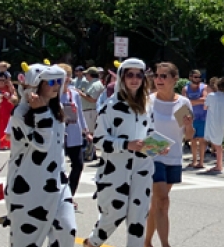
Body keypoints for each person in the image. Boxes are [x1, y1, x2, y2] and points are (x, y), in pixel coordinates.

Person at [84, 58, 159, 247]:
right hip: (116, 169)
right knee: (114, 212)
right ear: (122, 77)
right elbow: (99, 140)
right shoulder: (110, 106)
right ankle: (93, 241)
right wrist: (126, 144)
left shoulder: (147, 105)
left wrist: (158, 146)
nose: (134, 79)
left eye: (138, 75)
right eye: (130, 75)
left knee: (138, 217)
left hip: (142, 168)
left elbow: (150, 132)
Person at [5, 63, 76, 247]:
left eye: (58, 82)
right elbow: (42, 144)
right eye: (50, 81)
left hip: (57, 185)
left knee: (67, 233)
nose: (56, 86)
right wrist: (40, 111)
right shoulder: (19, 113)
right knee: (26, 243)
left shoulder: (56, 108)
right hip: (27, 190)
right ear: (36, 84)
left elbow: (58, 151)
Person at [144, 62, 193, 247]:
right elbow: (142, 130)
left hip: (174, 156)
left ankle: (146, 241)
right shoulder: (148, 101)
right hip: (153, 156)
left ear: (175, 79)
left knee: (158, 203)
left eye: (164, 76)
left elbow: (188, 136)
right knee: (163, 200)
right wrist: (153, 147)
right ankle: (165, 244)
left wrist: (188, 125)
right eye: (156, 76)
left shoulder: (182, 103)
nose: (158, 79)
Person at [59, 64, 92, 210]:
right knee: (58, 167)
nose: (66, 79)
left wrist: (86, 130)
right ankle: (60, 196)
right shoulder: (53, 93)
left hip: (74, 133)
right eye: (63, 76)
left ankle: (69, 195)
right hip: (59, 135)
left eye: (68, 75)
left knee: (78, 164)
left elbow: (80, 114)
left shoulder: (75, 94)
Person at [203, 77, 224, 173]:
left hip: (212, 121)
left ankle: (219, 165)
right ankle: (219, 164)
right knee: (218, 143)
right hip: (221, 122)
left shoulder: (211, 96)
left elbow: (205, 107)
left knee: (216, 144)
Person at [185, 69, 209, 169]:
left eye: (199, 77)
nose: (198, 79)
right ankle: (194, 160)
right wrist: (197, 101)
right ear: (190, 77)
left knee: (202, 140)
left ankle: (201, 162)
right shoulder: (185, 89)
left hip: (203, 117)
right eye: (195, 77)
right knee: (193, 140)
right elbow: (184, 102)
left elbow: (204, 99)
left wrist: (192, 101)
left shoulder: (204, 87)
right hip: (191, 117)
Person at [0, 70, 18, 150]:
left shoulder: (9, 85)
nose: (1, 82)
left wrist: (9, 85)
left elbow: (13, 93)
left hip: (7, 106)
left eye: (3, 80)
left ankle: (6, 144)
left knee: (6, 125)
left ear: (6, 79)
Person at [79, 67, 106, 132]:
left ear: (90, 75)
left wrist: (80, 93)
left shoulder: (95, 85)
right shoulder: (93, 83)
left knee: (90, 132)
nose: (85, 76)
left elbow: (93, 100)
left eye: (86, 74)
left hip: (91, 112)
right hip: (89, 112)